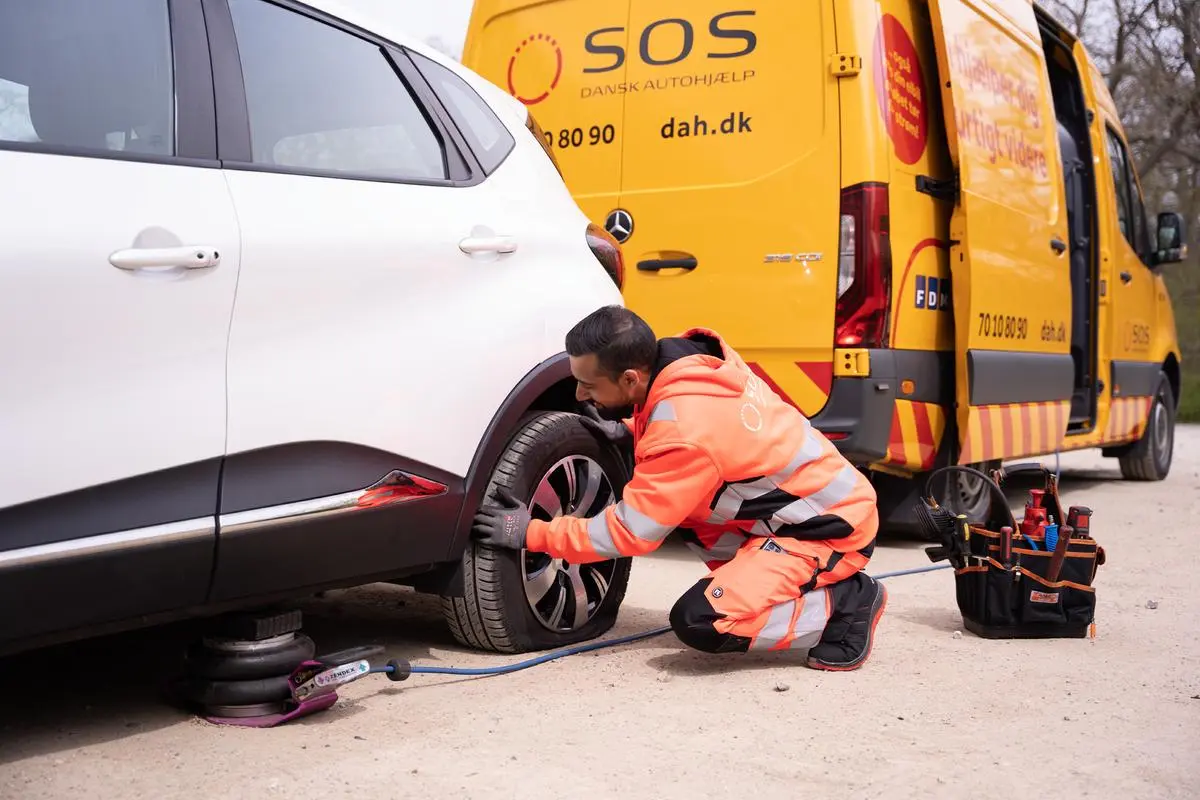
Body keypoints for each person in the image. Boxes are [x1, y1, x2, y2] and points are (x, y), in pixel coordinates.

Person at [472, 306, 887, 670]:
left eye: (590, 386)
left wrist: (530, 532)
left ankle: (846, 604)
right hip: (804, 506)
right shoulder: (689, 365)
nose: (580, 394)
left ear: (632, 377)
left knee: (702, 621)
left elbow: (629, 532)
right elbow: (712, 433)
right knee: (687, 512)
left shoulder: (684, 433)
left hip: (829, 531)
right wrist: (630, 429)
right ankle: (767, 583)